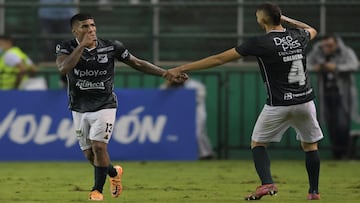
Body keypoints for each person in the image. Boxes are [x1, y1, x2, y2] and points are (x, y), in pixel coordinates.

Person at [164, 2, 323, 201]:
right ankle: (313, 192)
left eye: (257, 15)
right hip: (305, 101)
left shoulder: (260, 42)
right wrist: (286, 19)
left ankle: (267, 183)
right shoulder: (298, 36)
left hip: (279, 104)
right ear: (279, 18)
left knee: (258, 143)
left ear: (262, 19)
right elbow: (312, 30)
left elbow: (219, 59)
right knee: (310, 146)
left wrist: (182, 67)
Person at [55, 13, 186, 201]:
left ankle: (97, 191)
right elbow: (63, 68)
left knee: (99, 147)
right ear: (75, 30)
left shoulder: (111, 46)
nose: (90, 29)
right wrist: (82, 46)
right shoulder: (65, 47)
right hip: (79, 106)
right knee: (89, 154)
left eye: (92, 25)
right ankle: (114, 173)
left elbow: (137, 62)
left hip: (105, 104)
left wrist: (165, 74)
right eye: (85, 26)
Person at [307, 35, 359, 160]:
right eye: (324, 46)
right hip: (325, 94)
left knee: (342, 123)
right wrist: (316, 68)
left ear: (336, 44)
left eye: (330, 46)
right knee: (330, 123)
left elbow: (354, 65)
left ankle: (345, 152)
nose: (326, 48)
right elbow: (305, 64)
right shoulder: (317, 52)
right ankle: (337, 153)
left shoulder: (346, 52)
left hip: (342, 94)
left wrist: (336, 68)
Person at [160, 79, 215, 160]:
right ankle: (207, 154)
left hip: (197, 112)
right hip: (180, 114)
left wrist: (180, 92)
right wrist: (169, 86)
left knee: (198, 133)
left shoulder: (195, 85)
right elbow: (160, 92)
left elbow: (198, 99)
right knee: (200, 134)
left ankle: (205, 154)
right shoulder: (171, 85)